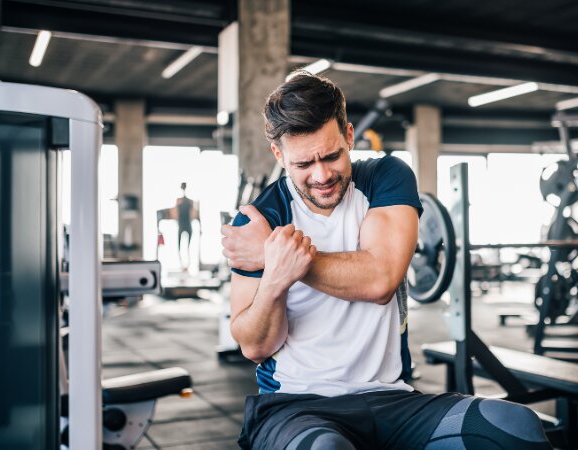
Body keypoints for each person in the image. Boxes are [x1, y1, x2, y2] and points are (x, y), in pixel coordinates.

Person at [221, 72, 552, 450]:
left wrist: (278, 256)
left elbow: (380, 280)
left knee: (514, 426)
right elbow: (254, 345)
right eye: (303, 164)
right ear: (279, 155)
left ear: (348, 135)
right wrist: (275, 277)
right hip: (295, 405)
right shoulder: (261, 219)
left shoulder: (386, 178)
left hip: (393, 398)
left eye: (331, 155)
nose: (322, 175)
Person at [175, 182, 198, 270]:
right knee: (180, 246)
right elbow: (176, 214)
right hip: (183, 225)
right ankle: (182, 265)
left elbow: (193, 214)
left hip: (186, 225)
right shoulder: (180, 201)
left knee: (187, 247)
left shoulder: (189, 201)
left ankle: (187, 265)